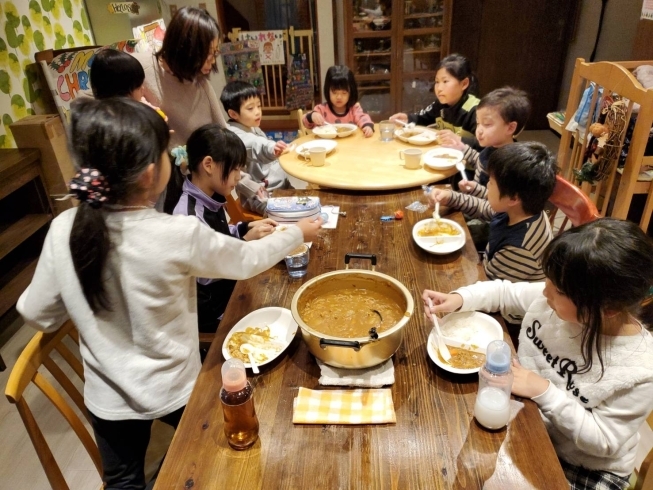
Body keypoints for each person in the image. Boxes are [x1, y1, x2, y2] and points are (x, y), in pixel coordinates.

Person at [15, 97, 321, 490]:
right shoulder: (176, 233)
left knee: (123, 482)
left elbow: (37, 314)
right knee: (220, 459)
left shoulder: (64, 228)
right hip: (177, 391)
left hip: (109, 403)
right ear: (148, 173)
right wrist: (297, 233)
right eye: (166, 152)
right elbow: (246, 261)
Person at [423, 218, 653, 490]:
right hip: (530, 420)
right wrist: (459, 299)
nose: (544, 290)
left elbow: (604, 440)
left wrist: (543, 390)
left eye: (557, 290)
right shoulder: (552, 299)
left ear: (608, 308)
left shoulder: (639, 370)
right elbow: (503, 292)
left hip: (585, 465)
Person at [169, 124, 279, 333]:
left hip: (229, 287)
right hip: (215, 312)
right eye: (235, 169)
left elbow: (221, 237)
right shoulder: (189, 216)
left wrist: (246, 227)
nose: (238, 177)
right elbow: (211, 269)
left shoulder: (211, 196)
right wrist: (245, 242)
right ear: (208, 164)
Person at [428, 142, 557, 293]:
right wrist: (450, 197)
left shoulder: (520, 248)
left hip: (504, 307)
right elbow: (484, 208)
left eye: (491, 182)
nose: (487, 186)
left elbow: (491, 291)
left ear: (513, 199)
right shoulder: (520, 210)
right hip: (490, 270)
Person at [439, 87, 531, 250]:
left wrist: (456, 197)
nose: (479, 130)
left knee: (446, 234)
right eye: (478, 122)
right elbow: (480, 161)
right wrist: (463, 148)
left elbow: (492, 209)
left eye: (487, 124)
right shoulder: (492, 148)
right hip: (475, 203)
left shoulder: (509, 166)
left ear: (510, 128)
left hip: (490, 224)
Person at [133, 6, 226, 149]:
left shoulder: (201, 85)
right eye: (208, 54)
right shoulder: (138, 67)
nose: (213, 61)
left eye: (215, 53)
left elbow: (224, 135)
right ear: (186, 49)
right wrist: (139, 106)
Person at [221, 80, 292, 215]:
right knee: (285, 214)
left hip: (277, 185)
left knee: (306, 200)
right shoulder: (233, 135)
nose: (257, 112)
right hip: (256, 195)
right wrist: (272, 148)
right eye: (250, 108)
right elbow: (254, 144)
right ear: (233, 114)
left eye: (258, 106)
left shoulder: (253, 127)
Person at [390, 53, 481, 150]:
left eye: (445, 81)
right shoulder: (440, 104)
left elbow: (487, 144)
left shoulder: (476, 110)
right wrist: (407, 118)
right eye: (437, 82)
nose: (439, 88)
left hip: (467, 162)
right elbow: (424, 118)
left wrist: (459, 139)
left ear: (464, 84)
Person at [302, 65, 375, 137]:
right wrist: (311, 116)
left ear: (351, 92)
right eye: (334, 93)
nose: (339, 97)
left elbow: (363, 118)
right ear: (328, 91)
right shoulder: (321, 110)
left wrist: (367, 126)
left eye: (344, 93)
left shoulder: (354, 109)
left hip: (350, 146)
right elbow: (306, 123)